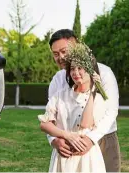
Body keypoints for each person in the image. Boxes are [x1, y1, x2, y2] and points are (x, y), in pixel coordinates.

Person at [47, 29, 121, 172]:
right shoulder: (57, 79)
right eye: (55, 54)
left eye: (63, 51)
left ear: (77, 46)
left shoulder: (104, 73)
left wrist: (90, 139)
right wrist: (54, 140)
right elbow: (50, 116)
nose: (60, 57)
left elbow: (111, 112)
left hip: (103, 139)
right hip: (68, 145)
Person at [39, 52, 106, 172]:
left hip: (86, 158)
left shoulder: (98, 100)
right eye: (72, 69)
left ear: (91, 70)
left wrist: (93, 92)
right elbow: (44, 124)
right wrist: (66, 135)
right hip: (63, 155)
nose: (75, 73)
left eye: (80, 68)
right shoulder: (60, 95)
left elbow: (85, 124)